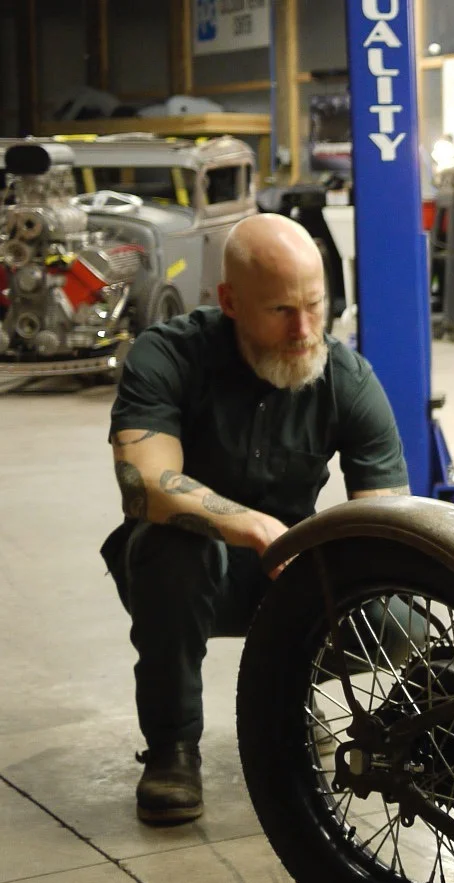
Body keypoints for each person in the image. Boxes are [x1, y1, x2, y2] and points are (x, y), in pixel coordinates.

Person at [104, 214, 410, 825]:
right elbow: (143, 484)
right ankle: (172, 748)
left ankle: (296, 693)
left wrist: (338, 566)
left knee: (400, 611)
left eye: (314, 307)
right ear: (230, 302)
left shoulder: (347, 379)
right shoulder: (168, 355)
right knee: (174, 551)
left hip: (290, 576)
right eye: (279, 311)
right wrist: (253, 526)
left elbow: (389, 518)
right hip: (188, 571)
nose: (303, 330)